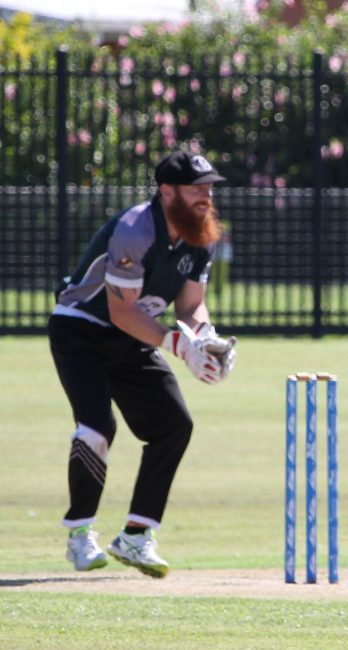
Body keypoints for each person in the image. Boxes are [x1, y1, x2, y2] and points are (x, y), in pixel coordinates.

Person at [50, 150, 238, 578]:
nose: (206, 196)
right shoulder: (135, 229)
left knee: (174, 424)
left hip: (133, 337)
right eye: (196, 189)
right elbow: (121, 312)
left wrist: (204, 339)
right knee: (98, 428)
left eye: (209, 188)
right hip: (81, 329)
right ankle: (80, 534)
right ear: (166, 191)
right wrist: (176, 343)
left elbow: (192, 305)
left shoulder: (203, 235)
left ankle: (136, 536)